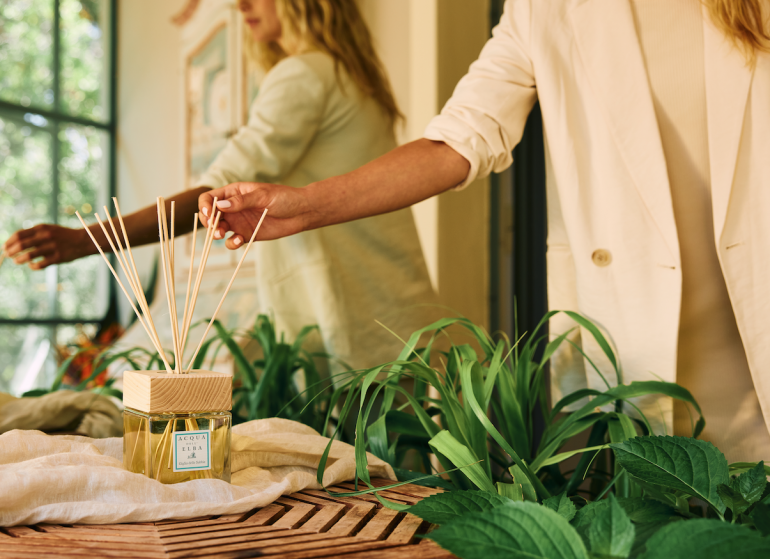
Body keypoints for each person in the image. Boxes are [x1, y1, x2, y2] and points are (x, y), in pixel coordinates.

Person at [197, 0, 770, 462]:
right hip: (636, 337)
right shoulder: (540, 9)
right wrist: (302, 206)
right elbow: (459, 140)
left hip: (753, 328)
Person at [4, 0, 439, 372]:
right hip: (398, 307)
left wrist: (86, 240)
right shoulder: (349, 78)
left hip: (351, 313)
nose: (241, 3)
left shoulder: (305, 74)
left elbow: (213, 193)